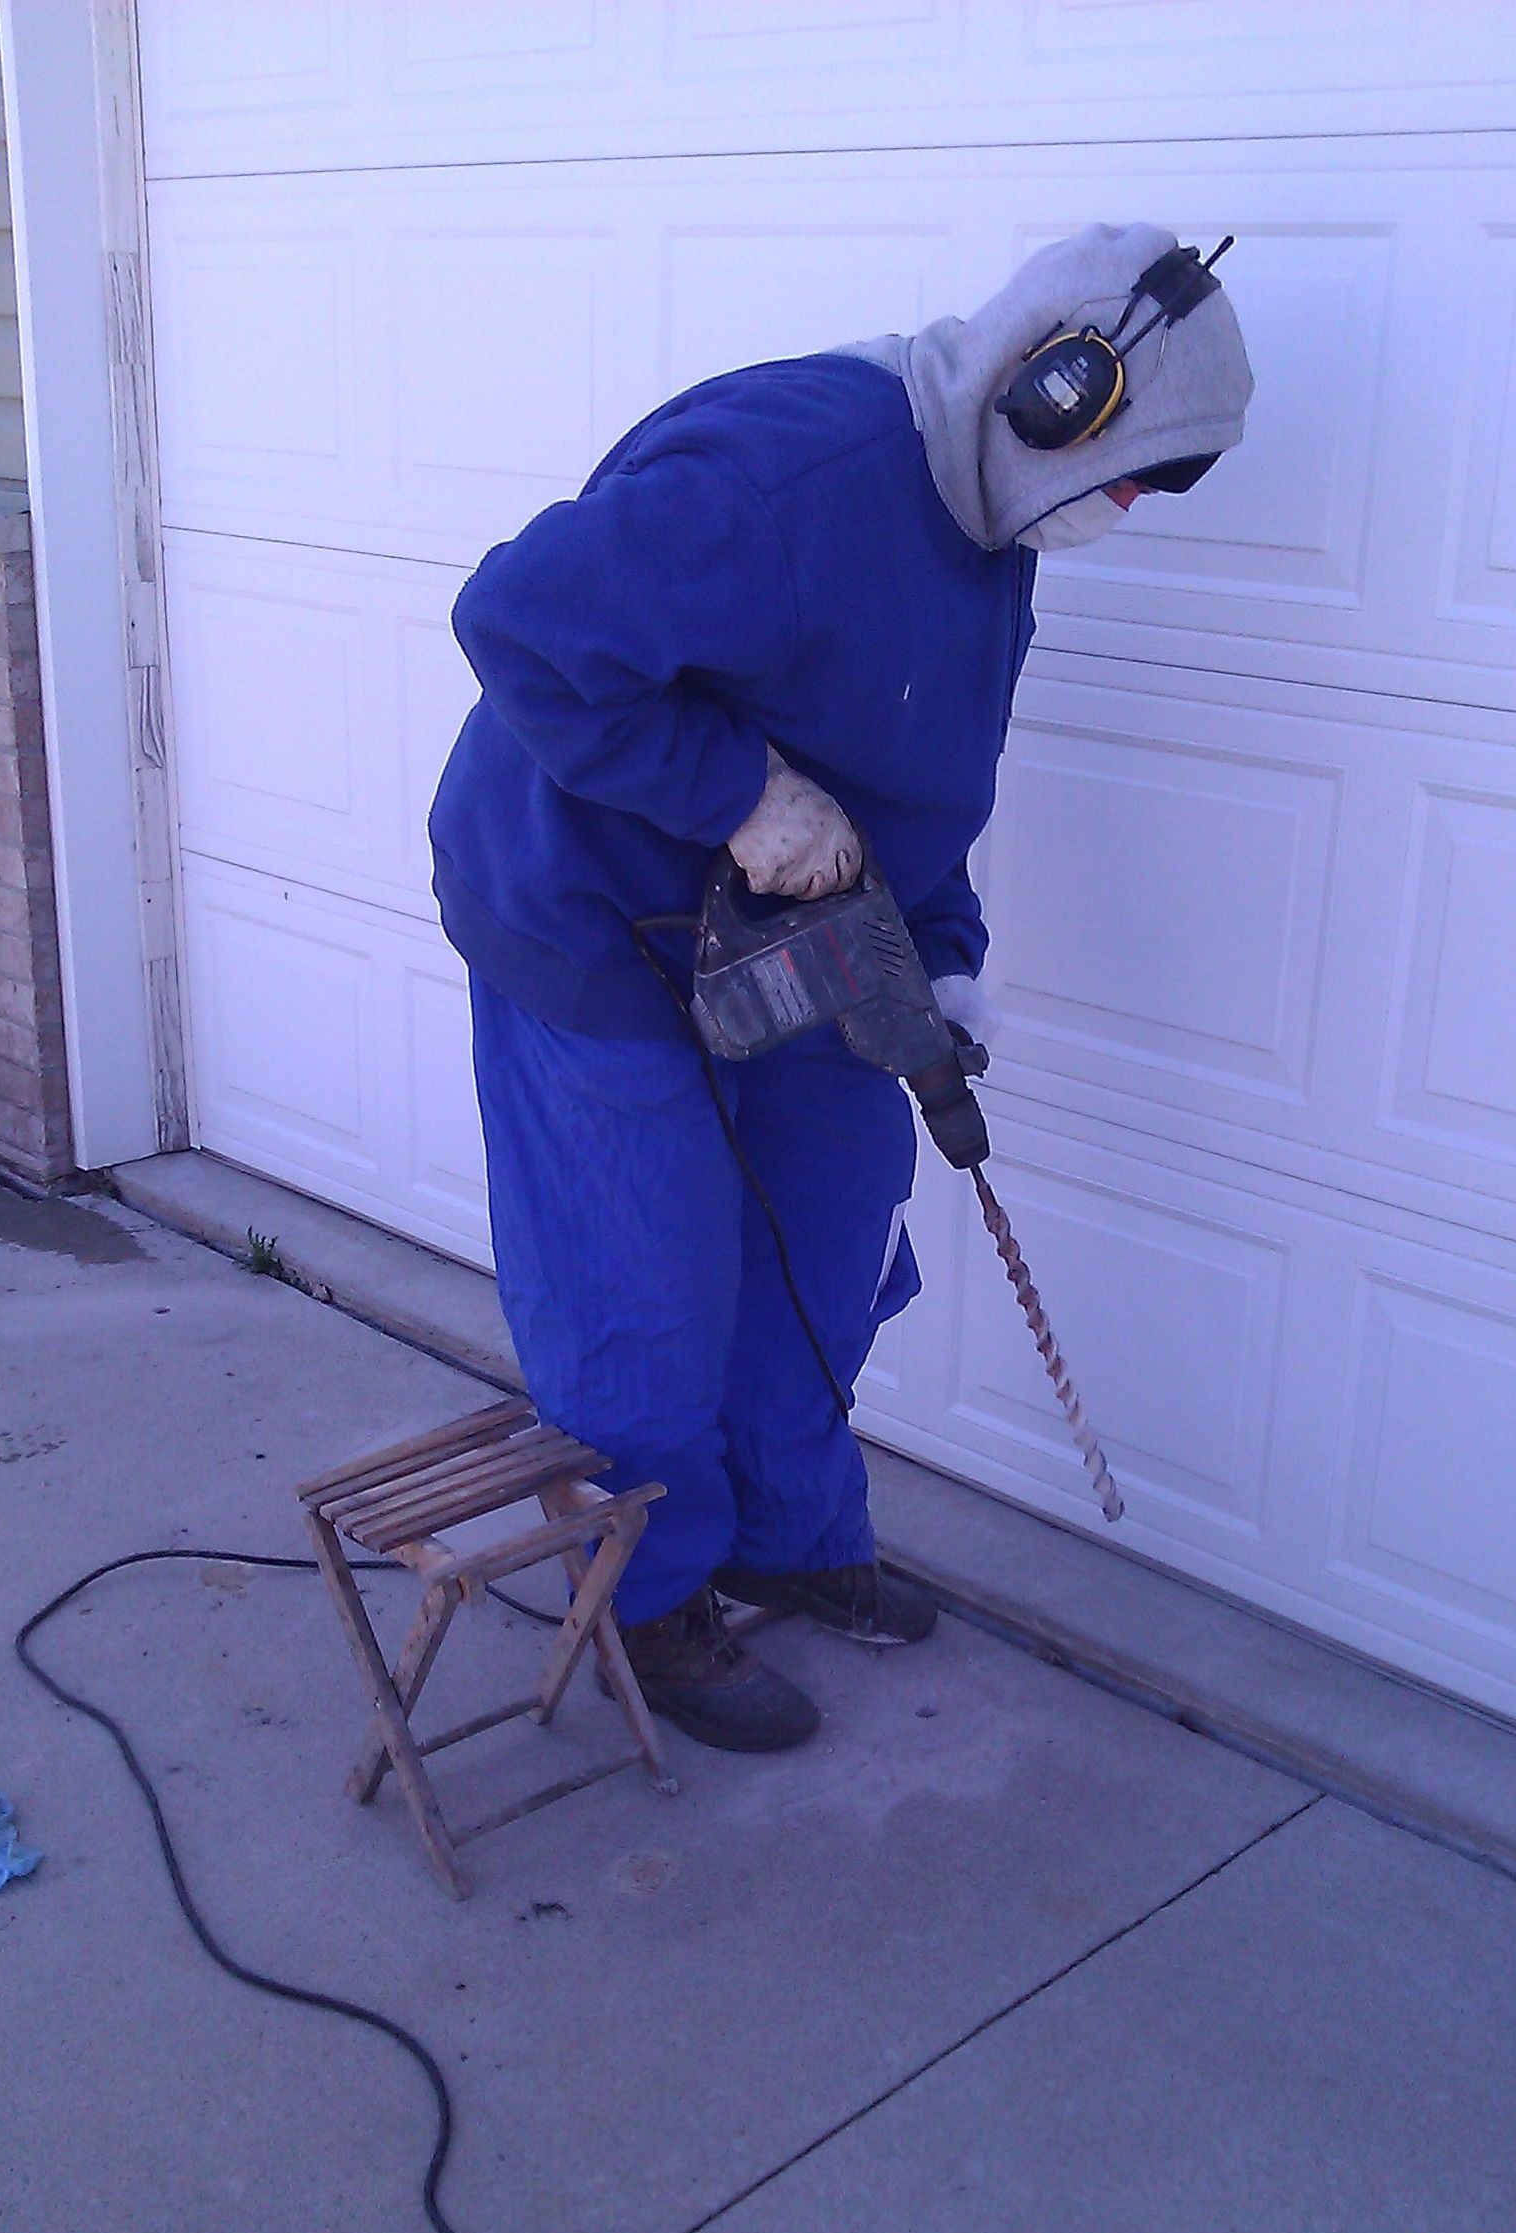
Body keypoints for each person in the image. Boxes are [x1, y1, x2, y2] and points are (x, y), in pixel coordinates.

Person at [430, 223, 1253, 1754]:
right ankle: (652, 1596)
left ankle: (787, 1536)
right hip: (589, 909)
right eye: (1130, 468)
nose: (1126, 509)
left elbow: (920, 778)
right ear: (1048, 389)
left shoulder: (993, 542)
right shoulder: (786, 475)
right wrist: (735, 790)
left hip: (779, 922)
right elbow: (521, 624)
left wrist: (940, 968)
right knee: (648, 1271)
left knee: (829, 1211)